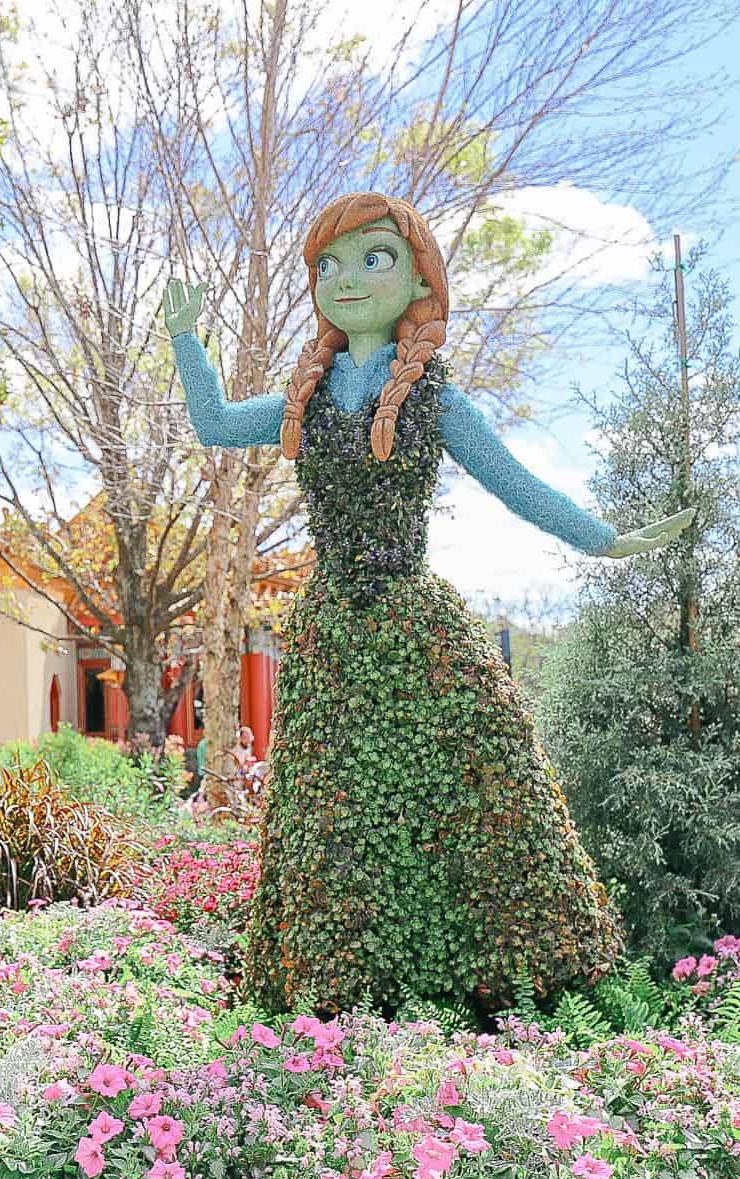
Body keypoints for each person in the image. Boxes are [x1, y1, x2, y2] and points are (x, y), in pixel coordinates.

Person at [162, 190, 693, 1013]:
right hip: (333, 631)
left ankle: (509, 981)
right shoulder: (302, 403)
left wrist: (602, 539)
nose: (345, 279)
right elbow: (215, 422)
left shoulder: (435, 401)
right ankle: (339, 988)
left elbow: (515, 483)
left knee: (477, 784)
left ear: (418, 283)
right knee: (332, 810)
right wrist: (186, 340)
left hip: (415, 619)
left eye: (373, 259)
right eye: (328, 265)